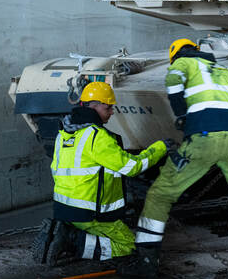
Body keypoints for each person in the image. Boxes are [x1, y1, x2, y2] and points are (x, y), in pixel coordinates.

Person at [118, 39, 228, 279]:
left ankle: (146, 262)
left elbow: (173, 84)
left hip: (204, 138)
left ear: (175, 54)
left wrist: (181, 116)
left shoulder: (183, 63)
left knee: (159, 194)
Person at [32, 82, 169, 266]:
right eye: (108, 107)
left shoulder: (64, 133)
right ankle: (72, 241)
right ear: (94, 105)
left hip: (64, 209)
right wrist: (161, 147)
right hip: (90, 215)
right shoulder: (97, 137)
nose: (112, 112)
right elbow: (132, 167)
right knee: (128, 247)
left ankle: (64, 231)